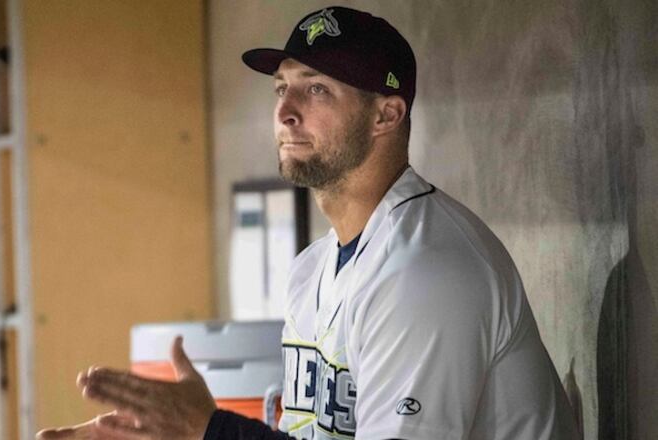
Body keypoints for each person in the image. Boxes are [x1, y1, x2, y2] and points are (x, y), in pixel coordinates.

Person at [38, 6, 580, 440]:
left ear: (386, 114)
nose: (285, 111)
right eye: (281, 88)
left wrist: (209, 430)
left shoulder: (426, 270)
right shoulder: (312, 270)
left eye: (316, 88)